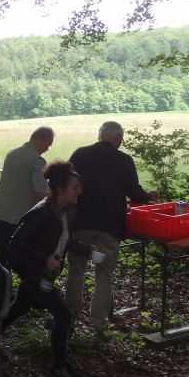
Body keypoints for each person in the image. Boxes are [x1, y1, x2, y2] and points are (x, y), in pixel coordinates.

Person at [3, 162, 90, 377]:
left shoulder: (64, 211)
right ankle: (60, 366)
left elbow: (63, 239)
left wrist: (86, 250)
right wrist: (44, 259)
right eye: (75, 187)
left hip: (43, 275)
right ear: (60, 189)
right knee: (63, 315)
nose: (79, 191)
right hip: (35, 275)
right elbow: (14, 248)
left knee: (19, 308)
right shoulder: (40, 214)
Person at [66, 121, 153, 334]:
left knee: (76, 271)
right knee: (104, 274)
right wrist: (147, 197)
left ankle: (69, 318)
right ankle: (98, 322)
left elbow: (66, 182)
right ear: (118, 139)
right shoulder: (124, 160)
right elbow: (134, 193)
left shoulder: (80, 154)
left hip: (81, 222)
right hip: (110, 226)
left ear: (100, 135)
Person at [0, 127, 54, 265]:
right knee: (20, 253)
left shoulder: (12, 153)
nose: (48, 149)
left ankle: (3, 282)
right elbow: (40, 192)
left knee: (3, 253)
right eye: (48, 144)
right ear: (40, 140)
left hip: (1, 211)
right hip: (18, 215)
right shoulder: (37, 161)